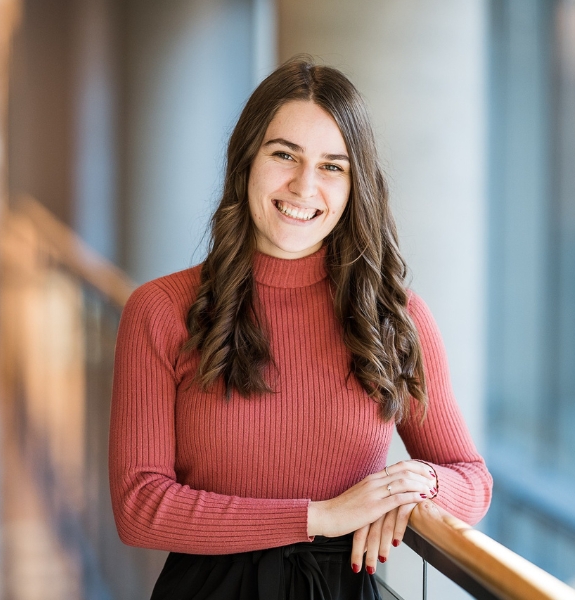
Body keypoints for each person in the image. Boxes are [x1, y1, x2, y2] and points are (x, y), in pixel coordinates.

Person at [108, 57, 492, 600]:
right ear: (246, 160)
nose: (304, 185)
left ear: (356, 185)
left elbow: (471, 480)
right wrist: (321, 516)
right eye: (285, 154)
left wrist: (418, 484)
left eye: (333, 166)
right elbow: (139, 506)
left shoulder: (394, 316)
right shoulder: (161, 310)